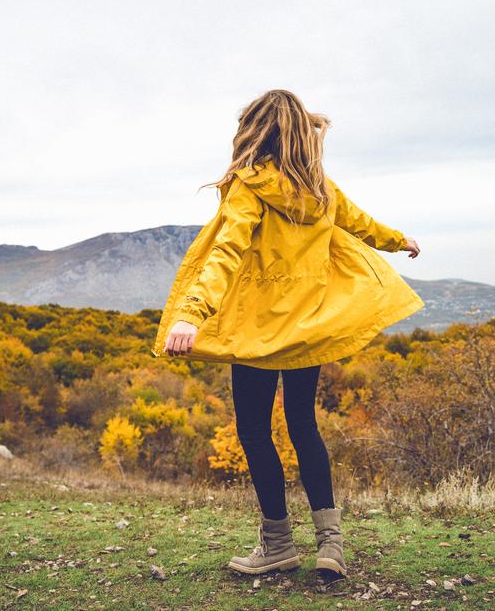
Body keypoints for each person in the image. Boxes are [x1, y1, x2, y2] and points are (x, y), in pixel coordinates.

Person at [151, 89, 424, 579]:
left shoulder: (250, 185)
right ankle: (331, 545)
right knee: (303, 426)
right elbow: (358, 222)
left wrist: (193, 312)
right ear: (300, 132)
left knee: (255, 431)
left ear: (255, 130)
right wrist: (397, 239)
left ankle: (277, 544)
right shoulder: (319, 189)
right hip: (307, 330)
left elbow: (226, 252)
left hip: (255, 332)